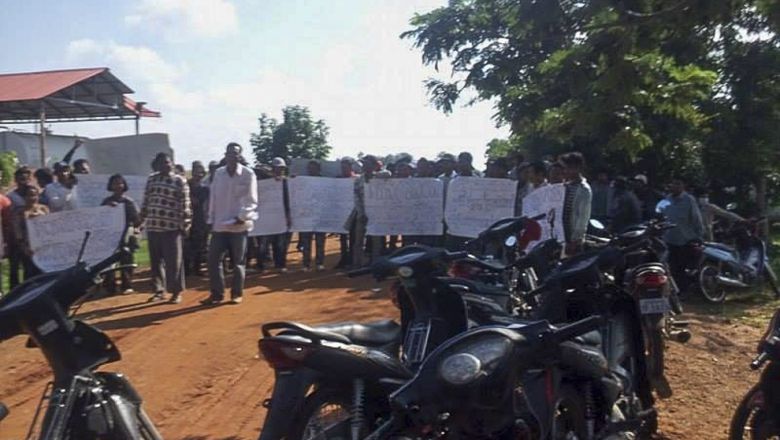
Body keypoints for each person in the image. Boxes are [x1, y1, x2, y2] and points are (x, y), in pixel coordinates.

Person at [201, 143, 259, 305]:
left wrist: (242, 216)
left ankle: (236, 293)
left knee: (238, 262)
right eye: (229, 153)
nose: (232, 156)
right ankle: (217, 294)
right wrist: (210, 220)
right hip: (219, 225)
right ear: (225, 155)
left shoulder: (248, 174)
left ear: (240, 156)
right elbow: (213, 198)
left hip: (239, 226)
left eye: (236, 154)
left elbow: (252, 200)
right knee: (213, 260)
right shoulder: (218, 174)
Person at [141, 153, 191, 303]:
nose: (166, 165)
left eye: (168, 162)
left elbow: (185, 204)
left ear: (172, 164)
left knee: (174, 262)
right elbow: (146, 200)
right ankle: (159, 291)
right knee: (156, 262)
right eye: (163, 163)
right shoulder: (152, 179)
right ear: (157, 165)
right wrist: (142, 218)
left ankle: (176, 292)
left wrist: (186, 224)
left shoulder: (179, 181)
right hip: (153, 226)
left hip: (172, 228)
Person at [661, 176, 705, 292]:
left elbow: (696, 218)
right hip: (670, 239)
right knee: (672, 268)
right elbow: (661, 215)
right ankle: (677, 292)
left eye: (678, 184)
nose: (675, 186)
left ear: (683, 186)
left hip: (685, 239)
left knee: (683, 267)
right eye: (673, 184)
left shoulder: (689, 200)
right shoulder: (667, 199)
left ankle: (685, 291)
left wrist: (699, 236)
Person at [101, 174, 142, 294]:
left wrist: (135, 229)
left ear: (124, 185)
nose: (118, 185)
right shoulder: (106, 202)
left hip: (126, 235)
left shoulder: (129, 202)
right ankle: (110, 286)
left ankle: (127, 285)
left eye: (120, 183)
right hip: (110, 235)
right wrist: (108, 208)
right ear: (111, 186)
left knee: (127, 260)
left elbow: (137, 220)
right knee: (110, 262)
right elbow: (100, 218)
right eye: (115, 183)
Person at [11, 185, 48, 282]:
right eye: (29, 195)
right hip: (27, 248)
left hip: (43, 247)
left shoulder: (44, 209)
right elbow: (17, 230)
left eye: (34, 195)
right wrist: (24, 247)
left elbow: (50, 226)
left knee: (44, 273)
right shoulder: (19, 211)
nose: (32, 198)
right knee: (29, 273)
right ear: (24, 197)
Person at [560, 152, 592, 255]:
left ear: (578, 168)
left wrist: (575, 240)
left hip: (573, 241)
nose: (565, 171)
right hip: (561, 237)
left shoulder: (584, 189)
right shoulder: (564, 187)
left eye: (569, 168)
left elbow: (583, 217)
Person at [299, 160, 327, 271]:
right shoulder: (303, 181)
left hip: (320, 215)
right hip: (307, 216)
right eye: (309, 168)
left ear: (319, 169)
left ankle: (320, 262)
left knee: (320, 241)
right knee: (306, 241)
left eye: (313, 168)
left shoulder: (325, 181)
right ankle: (306, 264)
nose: (311, 170)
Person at [8, 167, 33, 288]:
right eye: (21, 178)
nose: (24, 180)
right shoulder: (10, 197)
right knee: (15, 268)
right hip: (15, 238)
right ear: (16, 180)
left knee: (30, 267)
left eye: (26, 178)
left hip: (33, 239)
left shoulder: (34, 193)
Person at [186, 161, 210, 276]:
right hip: (186, 218)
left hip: (200, 219)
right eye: (196, 170)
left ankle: (197, 268)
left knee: (200, 244)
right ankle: (186, 269)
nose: (199, 173)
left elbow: (200, 202)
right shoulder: (185, 185)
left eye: (201, 170)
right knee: (187, 244)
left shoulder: (205, 188)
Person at [336, 157, 357, 269]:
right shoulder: (338, 179)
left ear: (351, 167)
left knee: (353, 238)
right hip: (341, 213)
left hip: (353, 213)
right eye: (342, 167)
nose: (344, 169)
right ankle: (344, 259)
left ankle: (352, 259)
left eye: (346, 167)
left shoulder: (356, 179)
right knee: (343, 238)